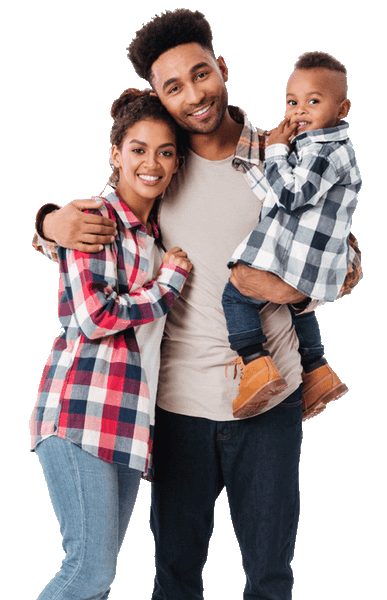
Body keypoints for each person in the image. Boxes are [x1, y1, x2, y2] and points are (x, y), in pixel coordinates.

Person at [33, 9, 362, 600]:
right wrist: (48, 222)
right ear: (160, 97)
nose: (194, 96)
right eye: (173, 88)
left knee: (269, 577)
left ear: (223, 69)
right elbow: (100, 223)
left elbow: (341, 255)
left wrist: (311, 285)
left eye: (201, 74)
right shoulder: (163, 167)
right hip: (177, 407)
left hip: (271, 401)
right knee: (176, 578)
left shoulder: (283, 156)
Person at [30, 88, 192, 600]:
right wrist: (167, 285)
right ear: (116, 153)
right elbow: (93, 316)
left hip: (126, 420)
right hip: (80, 412)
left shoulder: (155, 234)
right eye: (139, 149)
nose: (152, 163)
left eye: (165, 152)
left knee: (98, 580)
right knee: (88, 571)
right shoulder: (94, 219)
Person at [222, 51, 362, 419]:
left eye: (313, 101)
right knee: (294, 310)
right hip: (311, 263)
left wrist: (276, 150)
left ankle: (256, 364)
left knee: (236, 293)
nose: (299, 111)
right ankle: (316, 368)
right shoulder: (319, 147)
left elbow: (287, 195)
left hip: (301, 260)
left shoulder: (324, 151)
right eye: (292, 101)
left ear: (342, 108)